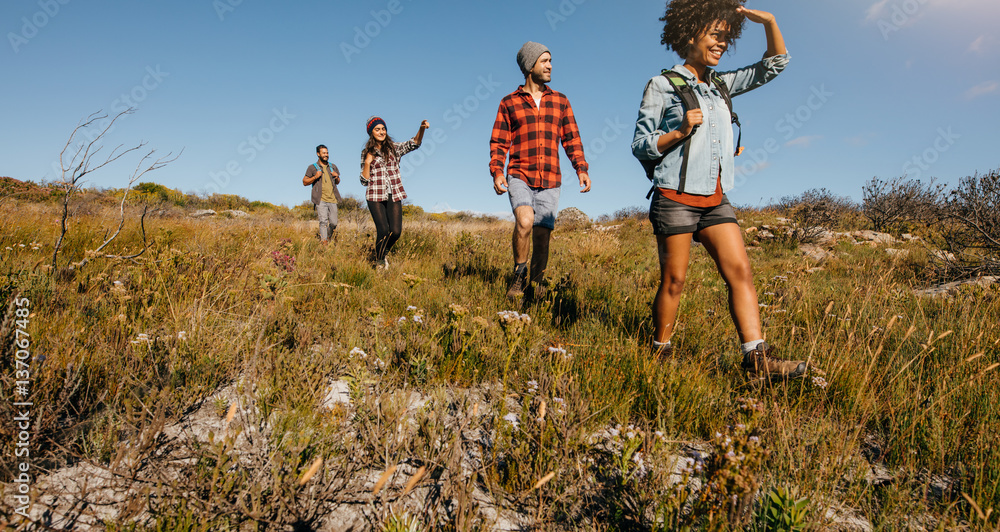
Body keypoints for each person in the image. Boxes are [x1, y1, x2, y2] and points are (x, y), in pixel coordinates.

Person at [631, 0, 806, 380]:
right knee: (674, 281)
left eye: (726, 38)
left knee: (740, 271)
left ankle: (756, 360)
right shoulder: (662, 84)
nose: (722, 44)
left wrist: (769, 21)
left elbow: (775, 64)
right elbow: (640, 144)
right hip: (675, 197)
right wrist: (678, 132)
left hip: (714, 198)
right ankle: (658, 358)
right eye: (715, 35)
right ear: (691, 34)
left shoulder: (722, 85)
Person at [490, 41, 591, 300]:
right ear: (529, 65)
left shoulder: (560, 101)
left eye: (550, 61)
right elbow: (500, 142)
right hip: (519, 173)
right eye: (544, 61)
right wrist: (497, 172)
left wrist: (580, 167)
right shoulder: (509, 102)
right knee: (524, 222)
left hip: (550, 178)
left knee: (542, 235)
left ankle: (536, 285)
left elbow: (572, 137)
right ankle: (519, 276)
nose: (550, 66)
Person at [360, 116, 429, 270]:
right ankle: (379, 263)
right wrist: (367, 163)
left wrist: (421, 129)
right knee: (383, 229)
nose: (381, 132)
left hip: (394, 192)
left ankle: (381, 253)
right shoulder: (366, 152)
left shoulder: (393, 148)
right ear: (371, 132)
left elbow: (414, 143)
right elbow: (364, 181)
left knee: (396, 232)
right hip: (375, 195)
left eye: (383, 129)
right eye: (377, 129)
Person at [302, 144, 342, 243]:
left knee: (334, 223)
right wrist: (315, 176)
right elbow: (304, 182)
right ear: (318, 154)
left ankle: (328, 237)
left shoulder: (333, 167)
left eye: (327, 153)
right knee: (323, 221)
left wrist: (336, 177)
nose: (326, 155)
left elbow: (338, 182)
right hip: (320, 199)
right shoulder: (312, 167)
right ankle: (324, 242)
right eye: (324, 153)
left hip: (333, 198)